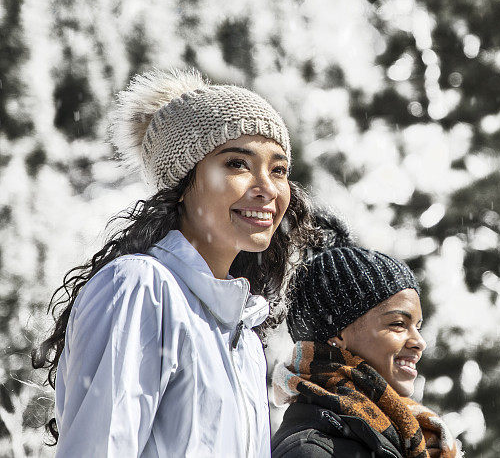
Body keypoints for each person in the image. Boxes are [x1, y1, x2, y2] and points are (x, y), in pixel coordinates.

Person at [32, 69, 319, 457]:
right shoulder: (139, 288)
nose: (267, 188)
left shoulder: (246, 334)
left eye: (279, 170)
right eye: (237, 163)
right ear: (182, 183)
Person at [271, 214, 461, 458]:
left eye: (418, 327)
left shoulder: (407, 433)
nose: (419, 342)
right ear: (338, 333)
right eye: (398, 324)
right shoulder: (312, 451)